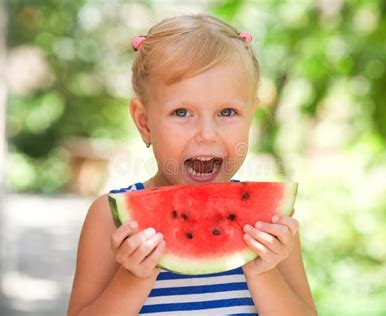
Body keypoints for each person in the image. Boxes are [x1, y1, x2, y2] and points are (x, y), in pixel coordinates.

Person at [67, 14, 317, 315]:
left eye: (227, 112)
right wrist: (133, 278)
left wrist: (262, 270)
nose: (207, 134)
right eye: (182, 112)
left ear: (251, 117)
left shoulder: (268, 225)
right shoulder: (109, 218)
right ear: (144, 122)